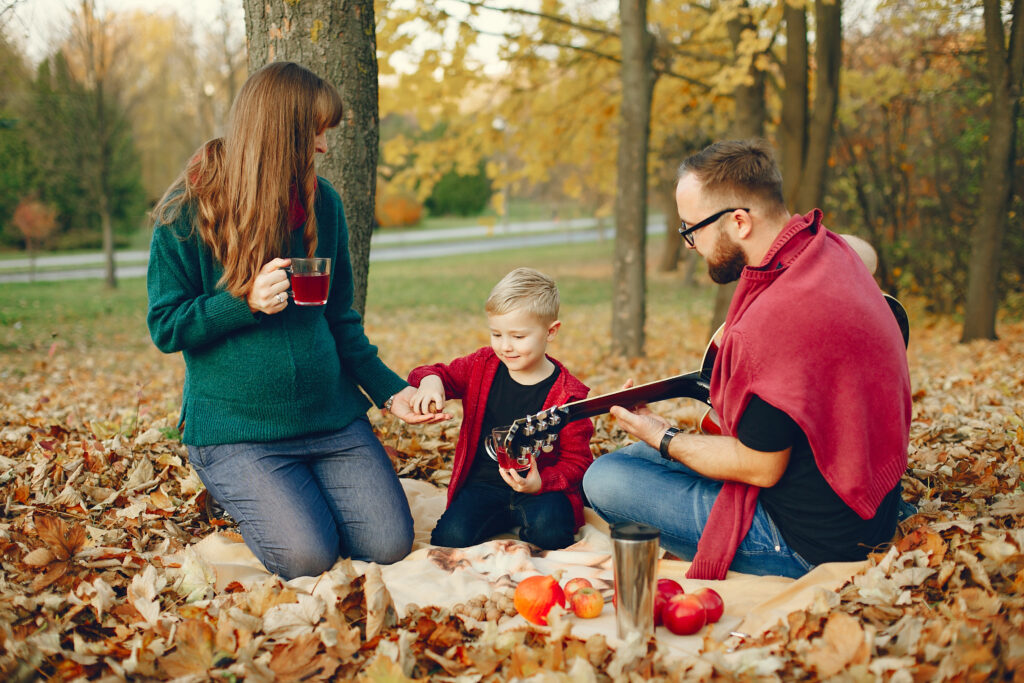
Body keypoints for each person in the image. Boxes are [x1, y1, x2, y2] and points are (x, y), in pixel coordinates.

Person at [147, 62, 443, 581]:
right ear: (280, 133)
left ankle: (299, 492)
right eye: (314, 132)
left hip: (331, 422)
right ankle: (255, 491)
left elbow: (342, 322)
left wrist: (393, 393)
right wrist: (243, 302)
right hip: (238, 433)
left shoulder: (323, 203)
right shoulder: (188, 212)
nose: (323, 147)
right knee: (309, 557)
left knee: (390, 543)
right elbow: (166, 326)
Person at [582, 139, 912, 580]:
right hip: (868, 503)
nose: (690, 245)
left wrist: (663, 435)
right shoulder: (826, 249)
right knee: (633, 460)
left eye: (691, 229)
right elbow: (864, 250)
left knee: (604, 479)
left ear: (739, 221)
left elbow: (761, 466)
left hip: (810, 542)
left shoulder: (769, 329)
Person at [407, 268, 595, 550]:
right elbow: (431, 372)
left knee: (553, 534)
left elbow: (578, 462)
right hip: (484, 486)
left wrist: (541, 482)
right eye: (497, 334)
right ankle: (499, 521)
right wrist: (432, 383)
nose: (505, 346)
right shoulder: (481, 366)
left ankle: (529, 527)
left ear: (551, 331)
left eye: (518, 337)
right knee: (450, 539)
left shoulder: (569, 395)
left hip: (540, 489)